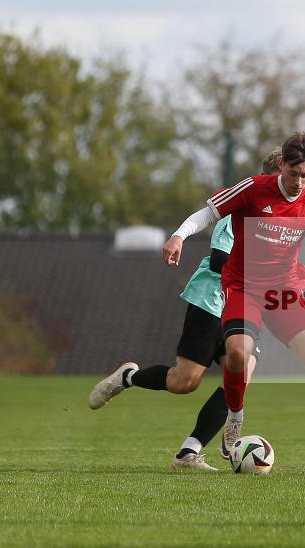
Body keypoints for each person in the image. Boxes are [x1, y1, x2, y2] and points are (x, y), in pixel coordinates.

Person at [160, 131, 305, 475]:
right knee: (237, 353)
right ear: (281, 164)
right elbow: (205, 214)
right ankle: (235, 416)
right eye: (292, 173)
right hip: (243, 288)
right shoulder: (252, 188)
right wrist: (178, 235)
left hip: (285, 294)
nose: (297, 182)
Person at [88, 148, 283, 471]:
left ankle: (188, 453)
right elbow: (221, 258)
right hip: (211, 300)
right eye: (288, 177)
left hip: (243, 306)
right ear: (271, 177)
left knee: (243, 371)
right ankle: (128, 377)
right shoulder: (243, 205)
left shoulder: (281, 218)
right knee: (184, 382)